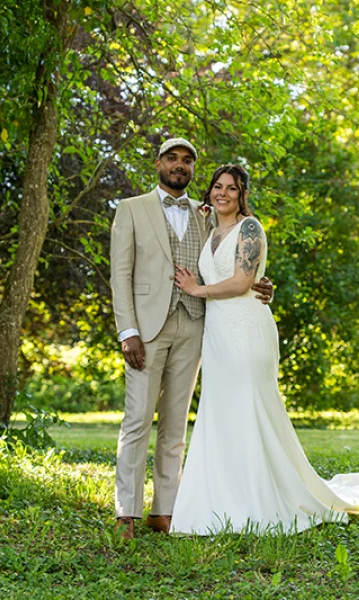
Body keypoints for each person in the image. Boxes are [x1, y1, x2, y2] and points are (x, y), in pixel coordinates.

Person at [170, 164, 359, 535]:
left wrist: (197, 290)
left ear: (243, 195)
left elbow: (243, 282)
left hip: (247, 331)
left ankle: (262, 499)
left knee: (250, 409)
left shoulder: (250, 228)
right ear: (209, 191)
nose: (222, 193)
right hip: (218, 336)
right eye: (217, 187)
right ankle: (224, 500)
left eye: (231, 188)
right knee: (222, 413)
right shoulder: (209, 229)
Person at [110, 140, 273, 540]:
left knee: (175, 425)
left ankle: (164, 510)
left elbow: (236, 264)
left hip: (196, 327)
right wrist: (127, 331)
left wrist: (262, 285)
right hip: (146, 330)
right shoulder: (130, 209)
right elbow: (120, 274)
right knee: (136, 420)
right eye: (172, 158)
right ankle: (126, 513)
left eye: (187, 160)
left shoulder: (207, 216)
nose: (179, 165)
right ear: (158, 163)